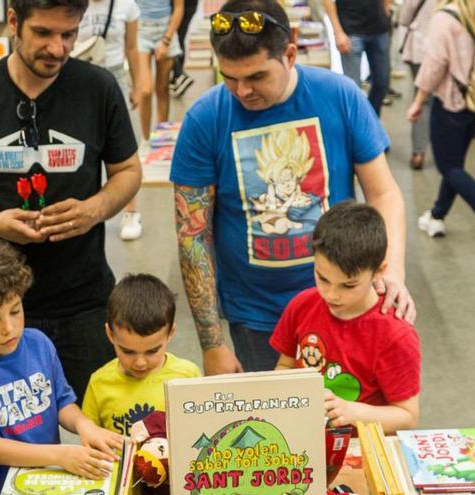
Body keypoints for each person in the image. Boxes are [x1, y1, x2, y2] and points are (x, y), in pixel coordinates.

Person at [171, 0, 414, 376]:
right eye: (229, 77)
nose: (242, 91)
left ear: (290, 52)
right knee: (278, 430)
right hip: (257, 318)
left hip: (344, 304)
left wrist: (392, 270)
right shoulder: (205, 118)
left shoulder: (340, 95)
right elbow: (193, 235)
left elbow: (383, 193)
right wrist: (212, 343)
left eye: (256, 76)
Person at [0, 0, 142, 403]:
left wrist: (94, 209)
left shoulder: (98, 88)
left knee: (103, 426)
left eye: (69, 34)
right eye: (43, 33)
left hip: (85, 297)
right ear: (13, 22)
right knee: (18, 436)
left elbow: (128, 171)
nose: (58, 48)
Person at [0, 235, 123, 495]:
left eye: (15, 310)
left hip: (42, 481)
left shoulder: (38, 343)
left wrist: (84, 425)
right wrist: (60, 455)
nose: (8, 328)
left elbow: (62, 402)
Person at [270, 202, 420, 434]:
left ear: (379, 271)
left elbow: (407, 416)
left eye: (348, 285)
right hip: (305, 437)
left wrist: (351, 412)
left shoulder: (394, 335)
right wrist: (295, 392)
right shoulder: (302, 305)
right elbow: (284, 364)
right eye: (322, 278)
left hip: (362, 447)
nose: (331, 294)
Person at [406, 0, 475, 254]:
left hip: (449, 102)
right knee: (455, 165)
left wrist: (419, 100)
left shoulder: (444, 17)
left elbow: (434, 64)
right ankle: (436, 216)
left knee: (448, 166)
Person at [81, 274, 201, 437]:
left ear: (170, 333)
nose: (140, 363)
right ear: (110, 334)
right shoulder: (99, 383)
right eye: (128, 351)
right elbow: (91, 441)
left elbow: (200, 431)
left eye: (152, 351)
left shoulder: (188, 377)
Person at [77, 0, 148, 240]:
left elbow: (132, 48)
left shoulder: (126, 6)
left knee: (122, 149)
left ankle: (131, 211)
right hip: (80, 76)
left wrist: (137, 85)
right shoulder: (75, 4)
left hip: (115, 75)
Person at [323, 0, 392, 114]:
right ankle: (359, 125)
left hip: (379, 29)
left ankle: (370, 119)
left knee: (382, 82)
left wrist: (386, 10)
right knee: (353, 87)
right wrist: (338, 32)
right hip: (351, 31)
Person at [136, 0, 184, 139]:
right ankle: (145, 140)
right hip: (141, 31)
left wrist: (166, 41)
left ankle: (161, 138)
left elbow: (178, 8)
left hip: (166, 30)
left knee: (162, 89)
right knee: (145, 90)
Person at [398, 0, 436, 169]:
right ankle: (444, 150)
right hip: (451, 49)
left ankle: (419, 153)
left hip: (421, 47)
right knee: (443, 101)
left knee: (422, 98)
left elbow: (405, 17)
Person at [169, 0, 198, 97]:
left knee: (172, 39)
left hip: (178, 6)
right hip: (190, 5)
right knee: (179, 39)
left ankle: (179, 75)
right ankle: (176, 79)